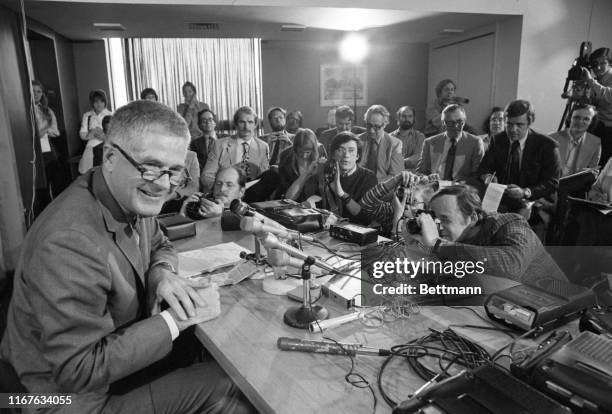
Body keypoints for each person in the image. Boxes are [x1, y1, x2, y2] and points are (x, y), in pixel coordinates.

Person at [0, 100, 251, 413]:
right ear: (109, 156)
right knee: (235, 387)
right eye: (149, 167)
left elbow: (160, 244)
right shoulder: (68, 240)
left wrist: (161, 274)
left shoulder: (126, 193)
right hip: (62, 399)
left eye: (174, 171)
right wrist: (180, 318)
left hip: (104, 367)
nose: (162, 184)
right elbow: (78, 370)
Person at [406, 184, 567, 283]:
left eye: (445, 219)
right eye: (433, 218)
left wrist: (437, 244)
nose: (437, 225)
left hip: (560, 308)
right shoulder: (456, 239)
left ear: (474, 217)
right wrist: (413, 245)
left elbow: (511, 265)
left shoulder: (510, 222)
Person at [478, 100, 562, 209]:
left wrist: (525, 192)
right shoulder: (497, 140)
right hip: (501, 198)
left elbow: (552, 183)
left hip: (533, 200)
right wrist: (487, 177)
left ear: (529, 123)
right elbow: (483, 168)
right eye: (509, 124)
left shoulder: (547, 145)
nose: (513, 130)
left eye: (519, 125)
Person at [290, 132, 377, 224]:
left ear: (357, 156)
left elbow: (365, 218)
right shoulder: (325, 172)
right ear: (333, 154)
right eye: (341, 150)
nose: (346, 155)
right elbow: (291, 198)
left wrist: (341, 193)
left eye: (351, 150)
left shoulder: (368, 178)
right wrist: (307, 173)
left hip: (355, 230)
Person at [200, 106, 269, 193]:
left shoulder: (263, 147)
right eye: (242, 122)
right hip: (225, 193)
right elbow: (206, 176)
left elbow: (264, 178)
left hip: (253, 193)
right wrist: (223, 190)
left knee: (272, 174)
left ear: (255, 125)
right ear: (235, 124)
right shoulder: (219, 145)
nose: (246, 127)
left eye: (250, 122)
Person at [417, 104, 484, 182]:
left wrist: (463, 183)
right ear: (443, 123)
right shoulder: (430, 142)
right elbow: (420, 173)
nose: (455, 126)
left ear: (464, 122)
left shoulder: (475, 143)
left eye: (459, 121)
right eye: (450, 123)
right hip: (435, 187)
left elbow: (478, 174)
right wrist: (426, 178)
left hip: (461, 189)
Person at [550, 104, 601, 176]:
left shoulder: (595, 143)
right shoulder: (551, 138)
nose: (580, 122)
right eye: (577, 117)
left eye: (586, 119)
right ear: (570, 118)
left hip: (576, 185)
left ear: (591, 122)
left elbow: (591, 171)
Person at [358, 104, 403, 182]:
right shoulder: (356, 141)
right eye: (369, 125)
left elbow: (395, 176)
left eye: (376, 127)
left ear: (385, 124)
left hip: (382, 189)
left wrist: (372, 186)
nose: (371, 130)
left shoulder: (395, 144)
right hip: (358, 186)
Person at [181, 166, 246, 219]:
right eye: (218, 183)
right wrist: (183, 211)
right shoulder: (199, 209)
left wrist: (217, 217)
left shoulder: (248, 216)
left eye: (229, 185)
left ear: (241, 192)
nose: (222, 189)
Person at [583, 47, 612, 166]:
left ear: (610, 63)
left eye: (603, 63)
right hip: (595, 126)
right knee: (591, 162)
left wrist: (591, 82)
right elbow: (593, 103)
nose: (598, 67)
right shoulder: (595, 79)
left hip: (609, 129)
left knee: (604, 164)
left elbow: (609, 95)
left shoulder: (593, 81)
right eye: (595, 64)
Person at [78, 89, 112, 174]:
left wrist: (104, 137)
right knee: (91, 174)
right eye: (96, 101)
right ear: (92, 103)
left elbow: (116, 135)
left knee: (107, 174)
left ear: (105, 102)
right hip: (91, 148)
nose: (99, 104)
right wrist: (92, 133)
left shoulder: (111, 115)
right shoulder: (87, 115)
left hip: (106, 148)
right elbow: (83, 135)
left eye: (101, 101)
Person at [390, 105, 426, 169]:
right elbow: (387, 160)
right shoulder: (389, 137)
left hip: (413, 175)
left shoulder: (420, 137)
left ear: (414, 118)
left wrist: (397, 162)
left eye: (410, 116)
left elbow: (418, 157)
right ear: (398, 118)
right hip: (393, 174)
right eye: (404, 116)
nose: (407, 119)